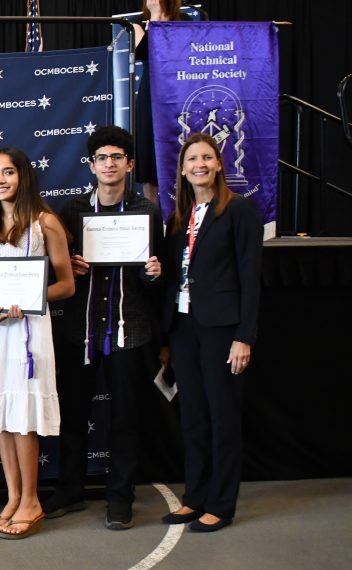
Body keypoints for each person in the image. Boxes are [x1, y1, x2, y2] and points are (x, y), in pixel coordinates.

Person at [49, 125, 165, 530]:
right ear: (91, 165)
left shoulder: (146, 211)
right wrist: (73, 269)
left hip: (128, 329)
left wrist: (153, 273)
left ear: (130, 164)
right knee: (74, 415)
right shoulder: (73, 211)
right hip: (79, 331)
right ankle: (70, 490)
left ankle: (120, 497)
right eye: (102, 158)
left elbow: (155, 279)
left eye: (117, 157)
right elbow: (57, 270)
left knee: (125, 419)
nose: (109, 164)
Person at [0, 148, 74, 540]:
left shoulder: (45, 223)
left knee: (23, 419)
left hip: (29, 335)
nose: (0, 180)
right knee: (2, 418)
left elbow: (66, 284)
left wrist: (29, 299)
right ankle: (13, 497)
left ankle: (32, 500)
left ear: (23, 177)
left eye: (8, 172)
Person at [160, 133, 263, 532]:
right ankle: (195, 497)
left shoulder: (239, 211)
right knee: (194, 418)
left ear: (219, 164)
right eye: (192, 159)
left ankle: (221, 504)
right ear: (183, 169)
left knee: (222, 417)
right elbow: (177, 275)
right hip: (184, 327)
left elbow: (251, 279)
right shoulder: (179, 215)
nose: (199, 164)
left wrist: (244, 336)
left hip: (223, 330)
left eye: (207, 157)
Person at [133, 0, 185, 204]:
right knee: (148, 155)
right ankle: (153, 217)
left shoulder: (185, 21)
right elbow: (145, 53)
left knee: (180, 151)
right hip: (151, 92)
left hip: (178, 89)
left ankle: (184, 218)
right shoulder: (138, 23)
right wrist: (154, 17)